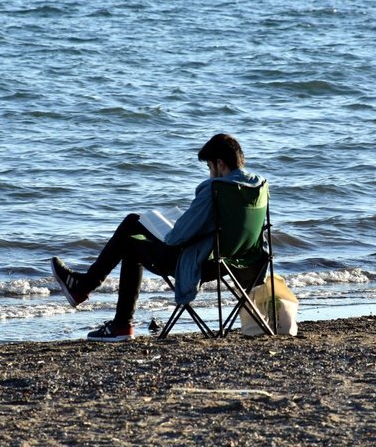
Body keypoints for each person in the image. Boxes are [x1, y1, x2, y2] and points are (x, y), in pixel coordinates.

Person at [51, 133, 266, 342]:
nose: (209, 173)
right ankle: (106, 310)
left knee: (132, 226)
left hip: (200, 263)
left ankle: (97, 301)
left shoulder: (217, 189)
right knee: (133, 236)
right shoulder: (257, 187)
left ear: (219, 164)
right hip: (238, 263)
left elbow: (176, 238)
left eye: (210, 167)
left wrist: (166, 229)